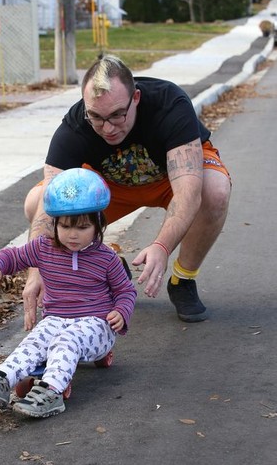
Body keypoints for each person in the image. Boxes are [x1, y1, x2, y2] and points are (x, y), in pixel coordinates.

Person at [23, 55, 231, 324]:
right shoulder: (75, 126)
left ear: (136, 98)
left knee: (215, 190)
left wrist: (162, 246)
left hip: (169, 180)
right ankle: (104, 263)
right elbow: (48, 205)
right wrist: (37, 270)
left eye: (117, 115)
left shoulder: (169, 104)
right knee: (36, 199)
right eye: (96, 117)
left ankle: (183, 280)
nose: (108, 128)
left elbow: (188, 192)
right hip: (109, 189)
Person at [0, 168, 136, 419]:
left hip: (96, 324)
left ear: (98, 225)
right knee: (35, 340)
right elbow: (13, 255)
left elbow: (125, 290)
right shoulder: (43, 248)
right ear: (55, 223)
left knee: (66, 340)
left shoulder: (106, 258)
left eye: (82, 227)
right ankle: (1, 380)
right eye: (65, 226)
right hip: (56, 319)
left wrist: (120, 312)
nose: (72, 234)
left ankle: (51, 392)